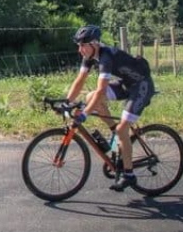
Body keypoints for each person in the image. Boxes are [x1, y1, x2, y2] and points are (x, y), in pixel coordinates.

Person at [64, 25, 154, 192]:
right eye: (79, 45)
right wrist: (66, 101)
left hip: (141, 87)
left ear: (94, 44)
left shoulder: (105, 58)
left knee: (122, 129)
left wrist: (84, 114)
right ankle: (116, 135)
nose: (80, 50)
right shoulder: (90, 56)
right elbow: (80, 80)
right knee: (91, 98)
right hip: (127, 84)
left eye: (83, 45)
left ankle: (129, 175)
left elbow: (101, 91)